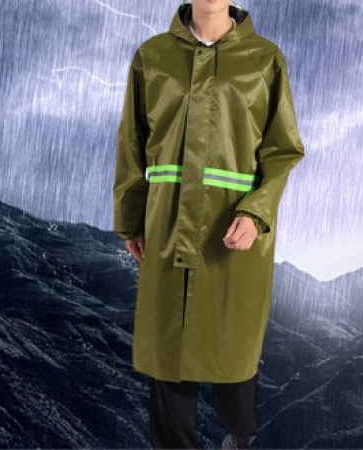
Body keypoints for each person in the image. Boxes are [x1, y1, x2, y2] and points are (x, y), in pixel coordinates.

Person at [112, 0, 305, 448]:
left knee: (233, 371)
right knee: (168, 365)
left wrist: (257, 212)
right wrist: (131, 220)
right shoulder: (152, 56)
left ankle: (242, 436)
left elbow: (282, 151)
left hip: (233, 237)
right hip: (166, 228)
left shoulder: (265, 59)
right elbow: (132, 143)